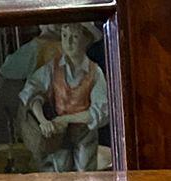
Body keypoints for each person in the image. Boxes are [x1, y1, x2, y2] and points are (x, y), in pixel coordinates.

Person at [17, 23, 109, 171]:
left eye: (75, 37)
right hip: (59, 136)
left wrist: (65, 119)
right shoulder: (53, 68)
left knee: (85, 172)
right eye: (65, 36)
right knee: (61, 171)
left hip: (84, 134)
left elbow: (101, 111)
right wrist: (43, 121)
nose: (68, 42)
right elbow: (32, 92)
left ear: (86, 40)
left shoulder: (95, 72)